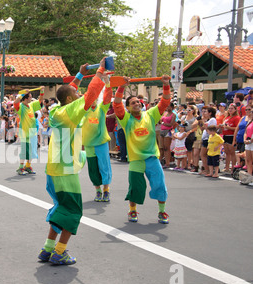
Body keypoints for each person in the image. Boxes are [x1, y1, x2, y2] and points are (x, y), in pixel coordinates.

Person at [38, 58, 107, 265]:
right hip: (65, 170)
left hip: (56, 167)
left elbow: (69, 93)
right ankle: (60, 252)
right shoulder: (68, 111)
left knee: (61, 209)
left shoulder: (57, 110)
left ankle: (47, 249)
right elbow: (90, 95)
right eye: (75, 94)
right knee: (73, 211)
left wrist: (79, 74)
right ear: (70, 100)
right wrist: (100, 71)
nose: (78, 95)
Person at [113, 75, 172, 224]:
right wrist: (121, 87)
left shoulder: (151, 115)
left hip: (152, 158)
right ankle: (132, 210)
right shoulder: (125, 119)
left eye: (138, 102)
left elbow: (165, 101)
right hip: (136, 160)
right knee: (136, 187)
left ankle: (162, 212)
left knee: (160, 185)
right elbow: (117, 104)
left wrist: (166, 84)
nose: (136, 104)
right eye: (132, 103)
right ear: (128, 107)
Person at [81, 70, 113, 202]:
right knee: (93, 169)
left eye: (94, 97)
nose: (92, 100)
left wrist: (107, 83)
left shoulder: (101, 109)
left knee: (104, 167)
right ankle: (98, 190)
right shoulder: (82, 111)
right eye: (89, 97)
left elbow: (107, 97)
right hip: (89, 144)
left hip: (101, 142)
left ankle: (106, 190)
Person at [13, 87, 45, 175]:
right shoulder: (21, 107)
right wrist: (22, 94)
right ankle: (20, 167)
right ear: (26, 98)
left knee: (32, 151)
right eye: (30, 97)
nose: (31, 98)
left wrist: (42, 92)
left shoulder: (31, 105)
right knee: (24, 150)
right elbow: (15, 103)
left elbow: (40, 101)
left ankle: (28, 166)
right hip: (25, 133)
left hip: (33, 133)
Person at [221, 104, 240, 173]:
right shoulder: (227, 117)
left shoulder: (237, 118)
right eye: (229, 108)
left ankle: (233, 167)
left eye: (232, 108)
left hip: (231, 136)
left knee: (232, 152)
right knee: (227, 152)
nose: (230, 110)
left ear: (235, 109)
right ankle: (227, 167)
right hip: (225, 135)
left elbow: (237, 128)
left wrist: (229, 127)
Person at [233, 102, 252, 167]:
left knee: (245, 155)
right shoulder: (243, 118)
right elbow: (237, 129)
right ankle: (240, 165)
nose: (247, 111)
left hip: (248, 139)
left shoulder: (251, 119)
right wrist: (234, 139)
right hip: (240, 138)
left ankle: (247, 166)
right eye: (246, 110)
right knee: (239, 154)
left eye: (249, 109)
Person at [199, 106, 217, 176]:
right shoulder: (207, 120)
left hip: (209, 139)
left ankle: (207, 170)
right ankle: (206, 169)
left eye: (205, 112)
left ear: (210, 113)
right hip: (205, 138)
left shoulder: (212, 120)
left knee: (203, 154)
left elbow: (210, 129)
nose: (204, 113)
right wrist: (201, 122)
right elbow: (202, 129)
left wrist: (205, 125)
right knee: (204, 155)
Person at [159, 103, 176, 168]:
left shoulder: (173, 115)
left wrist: (163, 123)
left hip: (168, 131)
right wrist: (163, 123)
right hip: (162, 130)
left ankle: (167, 162)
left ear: (171, 107)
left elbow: (171, 124)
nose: (167, 108)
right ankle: (162, 160)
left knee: (167, 148)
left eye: (168, 107)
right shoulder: (165, 113)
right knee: (162, 147)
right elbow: (160, 120)